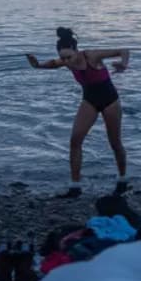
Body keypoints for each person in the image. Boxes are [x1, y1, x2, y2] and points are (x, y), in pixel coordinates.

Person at [26, 27, 130, 197]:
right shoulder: (65, 61)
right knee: (75, 140)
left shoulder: (91, 56)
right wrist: (37, 65)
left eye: (69, 56)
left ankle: (123, 181)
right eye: (63, 58)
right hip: (89, 101)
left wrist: (123, 65)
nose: (66, 61)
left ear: (77, 51)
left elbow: (123, 50)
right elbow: (53, 63)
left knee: (115, 143)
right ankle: (75, 186)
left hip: (110, 101)